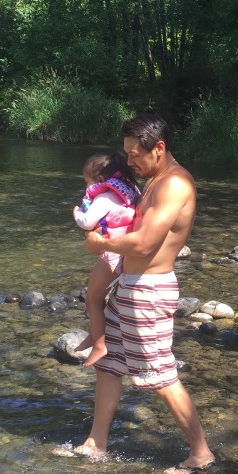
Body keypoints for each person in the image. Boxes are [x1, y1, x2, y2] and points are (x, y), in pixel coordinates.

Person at [54, 114, 214, 474]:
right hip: (130, 287)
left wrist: (102, 244)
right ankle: (96, 444)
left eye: (135, 154)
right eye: (126, 153)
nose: (129, 162)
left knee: (160, 375)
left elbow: (144, 243)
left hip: (150, 291)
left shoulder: (174, 186)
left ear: (159, 149)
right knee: (109, 366)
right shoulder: (155, 180)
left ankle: (201, 452)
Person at [73, 152, 141, 369]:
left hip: (112, 255)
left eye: (87, 181)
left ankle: (100, 344)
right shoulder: (130, 192)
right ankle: (94, 336)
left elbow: (86, 222)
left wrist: (75, 213)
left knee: (92, 298)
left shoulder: (104, 197)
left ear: (100, 180)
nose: (86, 186)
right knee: (97, 296)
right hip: (122, 253)